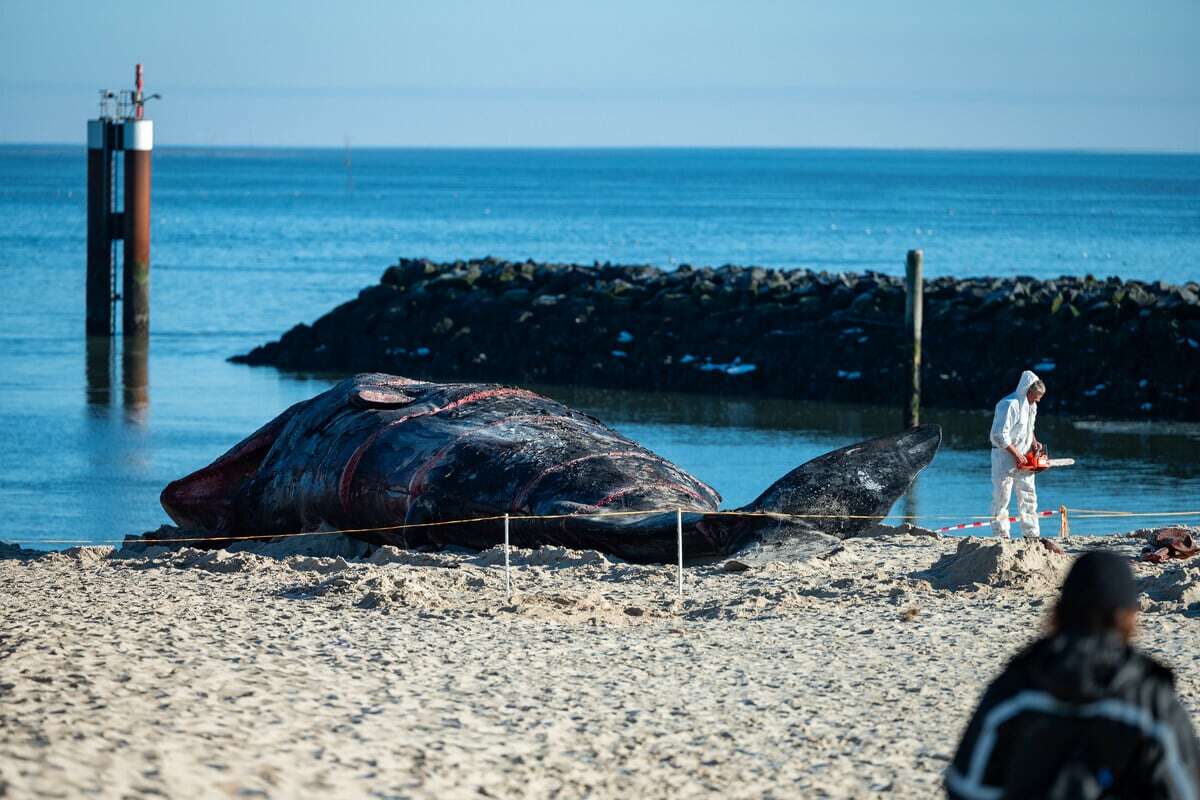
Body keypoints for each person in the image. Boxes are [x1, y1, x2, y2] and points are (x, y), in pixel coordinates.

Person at [945, 551, 1200, 800]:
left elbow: (966, 787)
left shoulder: (1016, 687)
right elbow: (1185, 790)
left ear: (1059, 609)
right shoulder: (1150, 701)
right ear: (1129, 617)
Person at [989, 370, 1045, 539]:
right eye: (1036, 396)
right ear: (1028, 390)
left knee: (1028, 494)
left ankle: (1031, 533)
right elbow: (998, 434)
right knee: (1002, 495)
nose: (1038, 400)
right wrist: (1015, 454)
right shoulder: (1008, 404)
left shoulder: (1032, 406)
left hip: (1024, 455)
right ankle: (1001, 534)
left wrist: (1034, 443)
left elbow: (1029, 428)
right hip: (1004, 456)